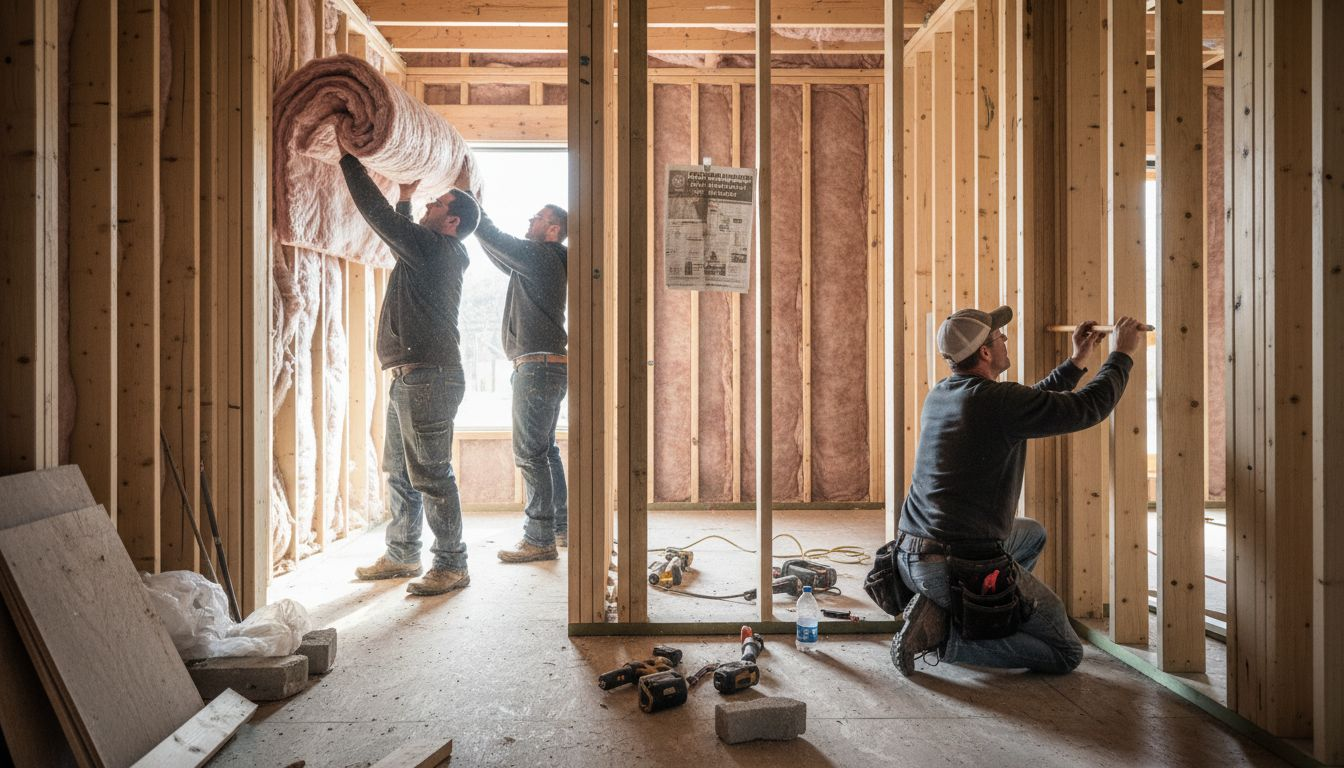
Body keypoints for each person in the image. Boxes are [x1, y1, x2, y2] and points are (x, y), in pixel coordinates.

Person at [891, 305, 1146, 676]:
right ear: (985, 352)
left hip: (911, 557)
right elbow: (1089, 408)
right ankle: (948, 637)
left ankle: (969, 614)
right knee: (1065, 652)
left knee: (1031, 534)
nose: (1005, 339)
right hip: (951, 567)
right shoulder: (997, 402)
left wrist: (1077, 361)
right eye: (999, 336)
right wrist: (1122, 354)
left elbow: (1031, 402)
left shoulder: (945, 393)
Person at [339, 153, 481, 595]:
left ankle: (452, 564)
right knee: (400, 471)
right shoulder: (429, 251)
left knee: (431, 474)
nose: (427, 206)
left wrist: (349, 161)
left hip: (428, 379)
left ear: (452, 221)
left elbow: (378, 217)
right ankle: (402, 553)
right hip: (412, 378)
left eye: (435, 204)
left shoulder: (436, 250)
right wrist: (404, 197)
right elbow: (402, 231)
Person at [473, 203, 570, 563]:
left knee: (530, 454)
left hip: (537, 368)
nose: (530, 218)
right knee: (545, 451)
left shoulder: (541, 257)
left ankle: (539, 537)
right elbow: (495, 249)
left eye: (538, 217)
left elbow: (495, 238)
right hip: (547, 366)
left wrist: (473, 203)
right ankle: (560, 527)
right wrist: (477, 225)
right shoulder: (546, 262)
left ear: (552, 230)